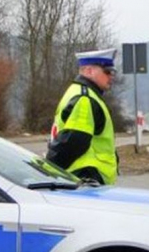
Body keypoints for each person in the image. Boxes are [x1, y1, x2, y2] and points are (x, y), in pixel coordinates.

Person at [46, 48, 118, 185]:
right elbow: (74, 141)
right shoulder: (85, 99)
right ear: (89, 71)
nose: (111, 76)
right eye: (107, 71)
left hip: (83, 176)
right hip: (85, 177)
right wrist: (49, 168)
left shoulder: (80, 92)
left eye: (113, 72)